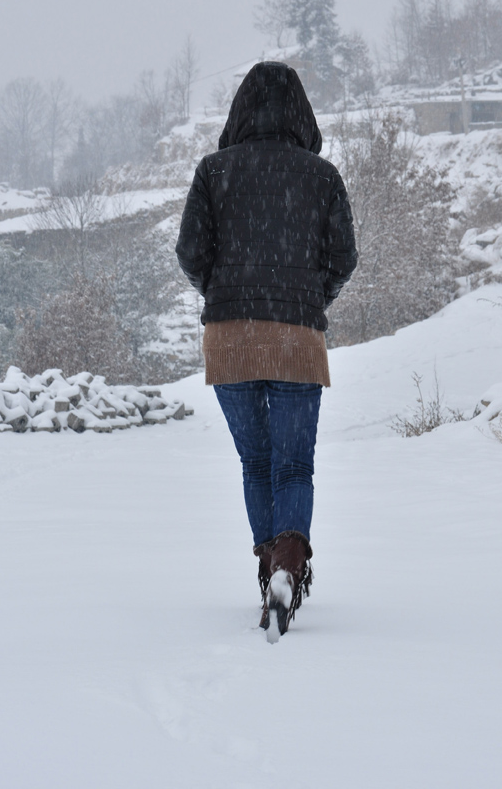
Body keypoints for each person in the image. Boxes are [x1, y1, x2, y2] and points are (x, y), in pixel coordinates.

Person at [176, 61, 357, 639]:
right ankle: (288, 567)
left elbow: (190, 252)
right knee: (294, 464)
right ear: (301, 112)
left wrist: (223, 292)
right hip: (297, 336)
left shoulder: (214, 171)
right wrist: (311, 295)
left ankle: (269, 570)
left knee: (256, 462)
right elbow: (343, 257)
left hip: (230, 337)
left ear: (239, 110)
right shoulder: (321, 176)